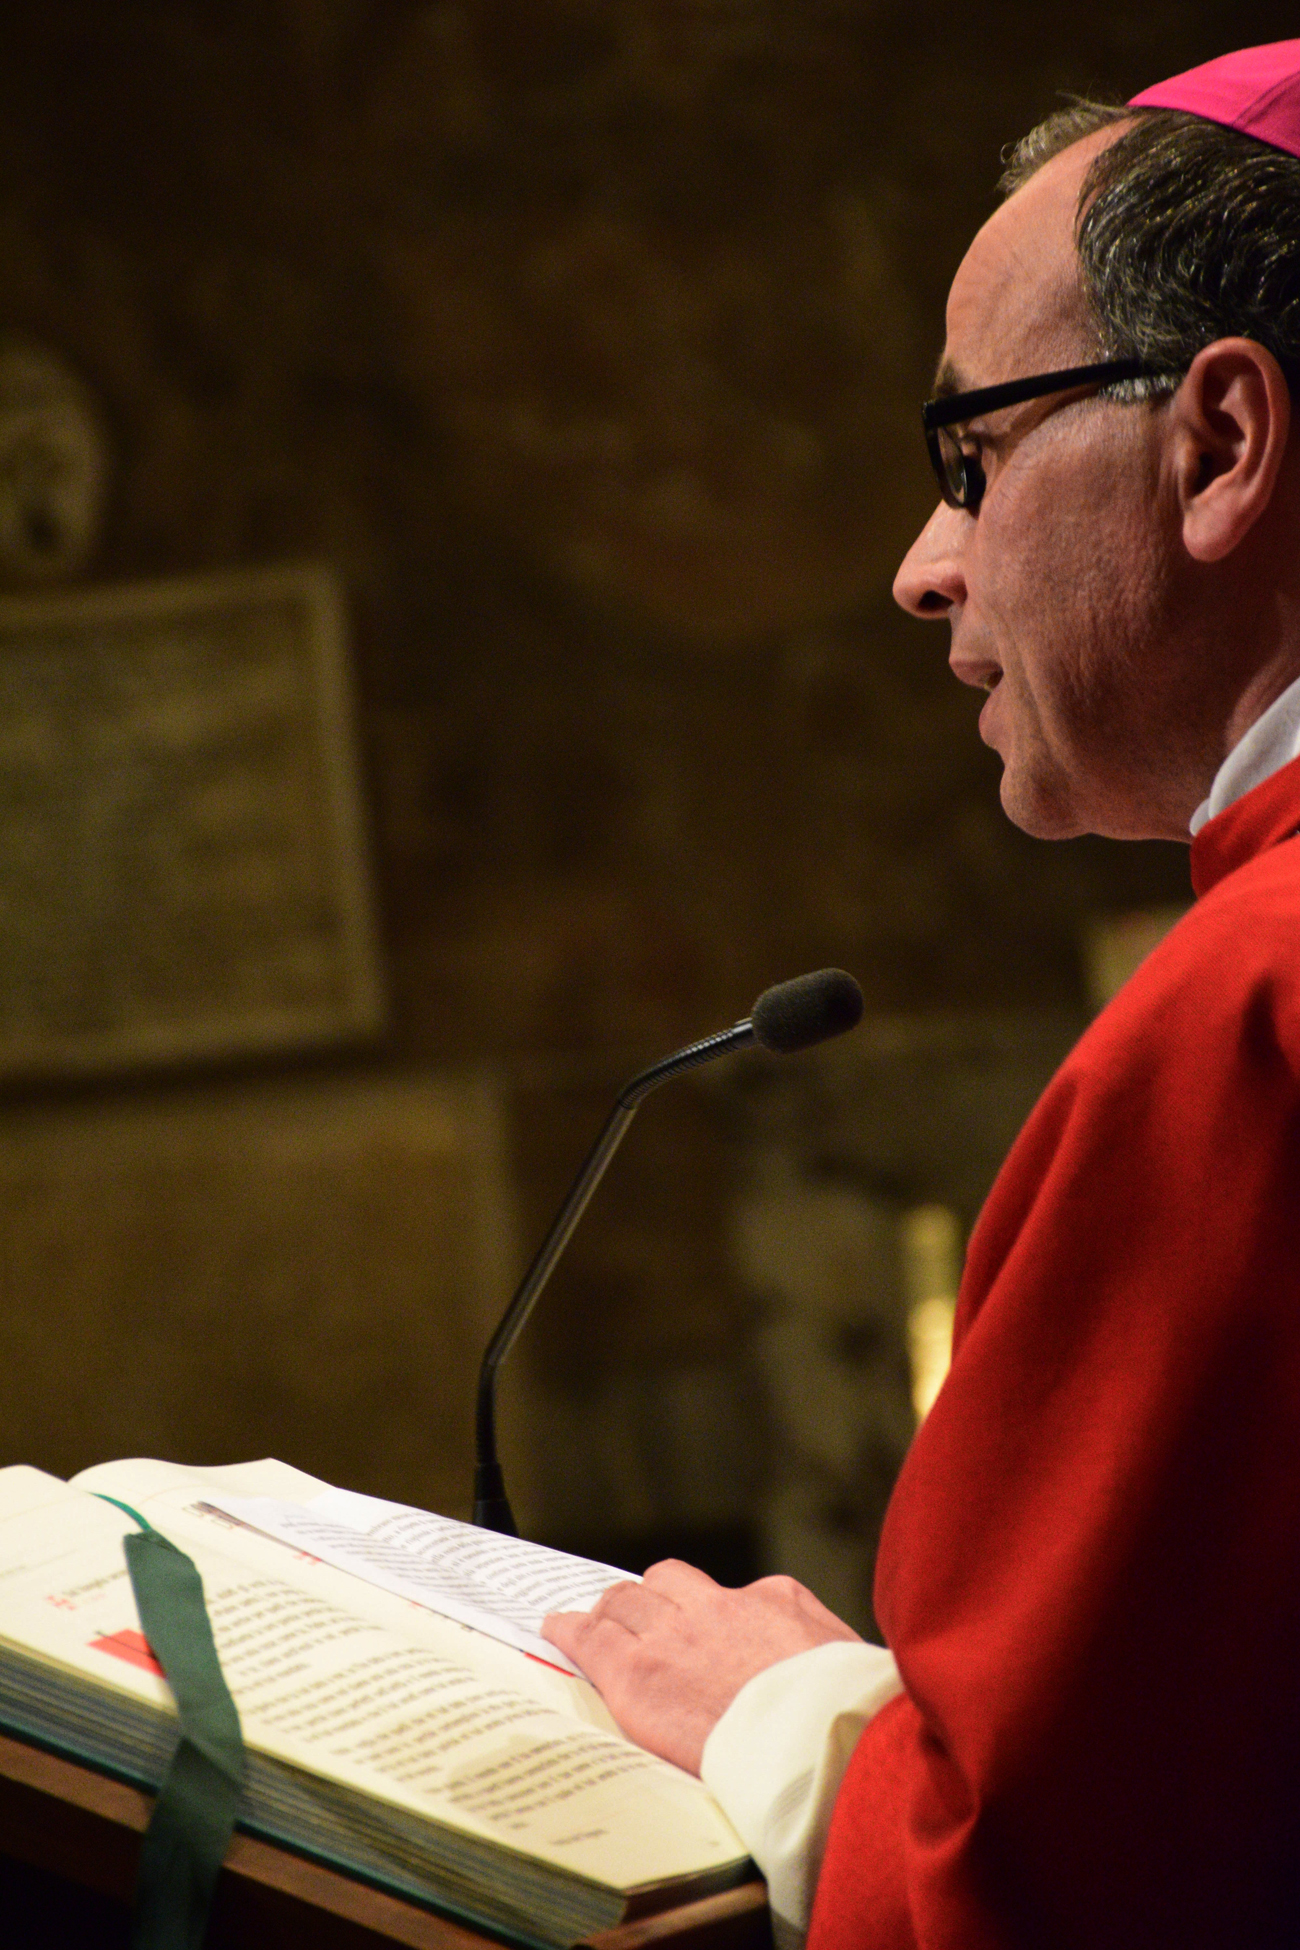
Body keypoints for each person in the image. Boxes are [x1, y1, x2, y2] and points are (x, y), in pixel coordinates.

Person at [544, 40, 1300, 1948]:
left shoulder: (1252, 1018)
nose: (919, 568)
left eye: (975, 458)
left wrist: (787, 1721)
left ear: (1222, 443)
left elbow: (1053, 1888)